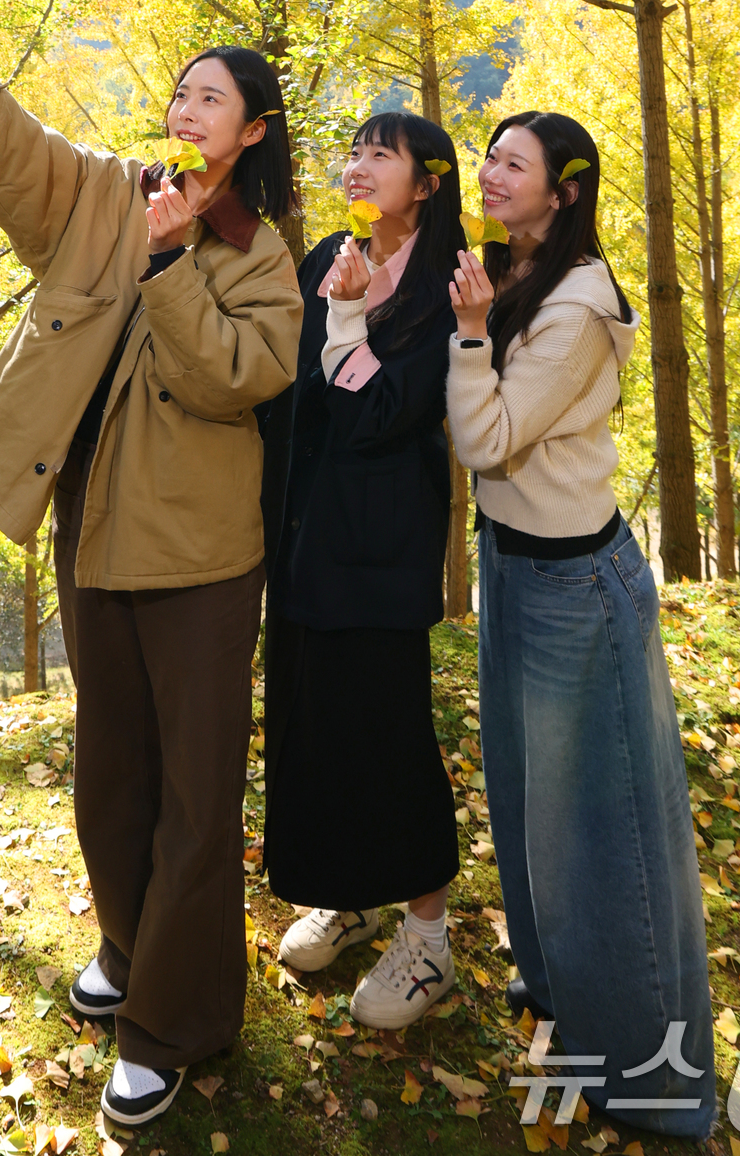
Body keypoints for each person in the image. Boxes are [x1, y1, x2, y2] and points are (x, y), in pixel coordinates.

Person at [0, 0, 302, 1129]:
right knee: (110, 776)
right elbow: (20, 159)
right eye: (180, 91)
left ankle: (173, 1025)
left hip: (200, 559)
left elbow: (235, 378)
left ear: (253, 131)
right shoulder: (108, 193)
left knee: (194, 797)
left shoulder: (259, 253)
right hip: (91, 533)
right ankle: (130, 949)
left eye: (210, 97)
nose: (184, 109)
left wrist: (173, 267)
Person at [447, 110, 715, 1137]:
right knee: (528, 804)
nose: (490, 173)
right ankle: (563, 988)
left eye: (512, 164)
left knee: (606, 833)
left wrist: (470, 336)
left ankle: (653, 1084)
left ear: (564, 191)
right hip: (512, 566)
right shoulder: (513, 272)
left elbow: (487, 439)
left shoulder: (576, 307)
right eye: (489, 156)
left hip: (574, 587)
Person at [261, 111, 465, 1029]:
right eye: (354, 152)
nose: (359, 166)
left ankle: (428, 937)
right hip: (306, 532)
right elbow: (296, 396)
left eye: (382, 155)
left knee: (388, 731)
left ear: (427, 184)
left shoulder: (449, 284)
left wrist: (347, 317)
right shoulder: (327, 258)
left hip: (382, 542)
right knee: (314, 724)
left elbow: (383, 412)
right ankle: (347, 896)